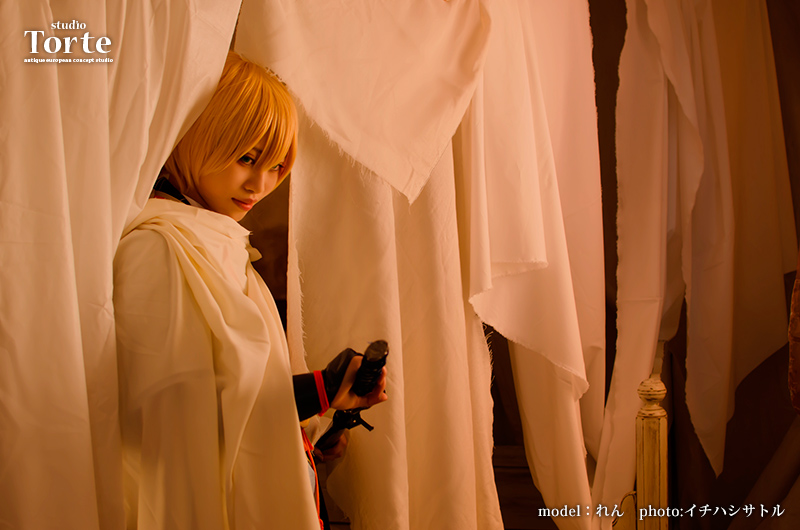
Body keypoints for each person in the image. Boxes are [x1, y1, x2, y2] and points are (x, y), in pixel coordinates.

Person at [113, 51, 386, 530]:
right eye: (246, 158)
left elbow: (230, 402)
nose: (261, 184)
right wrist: (313, 393)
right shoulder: (157, 248)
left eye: (278, 166)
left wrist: (320, 418)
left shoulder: (212, 242)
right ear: (196, 135)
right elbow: (173, 426)